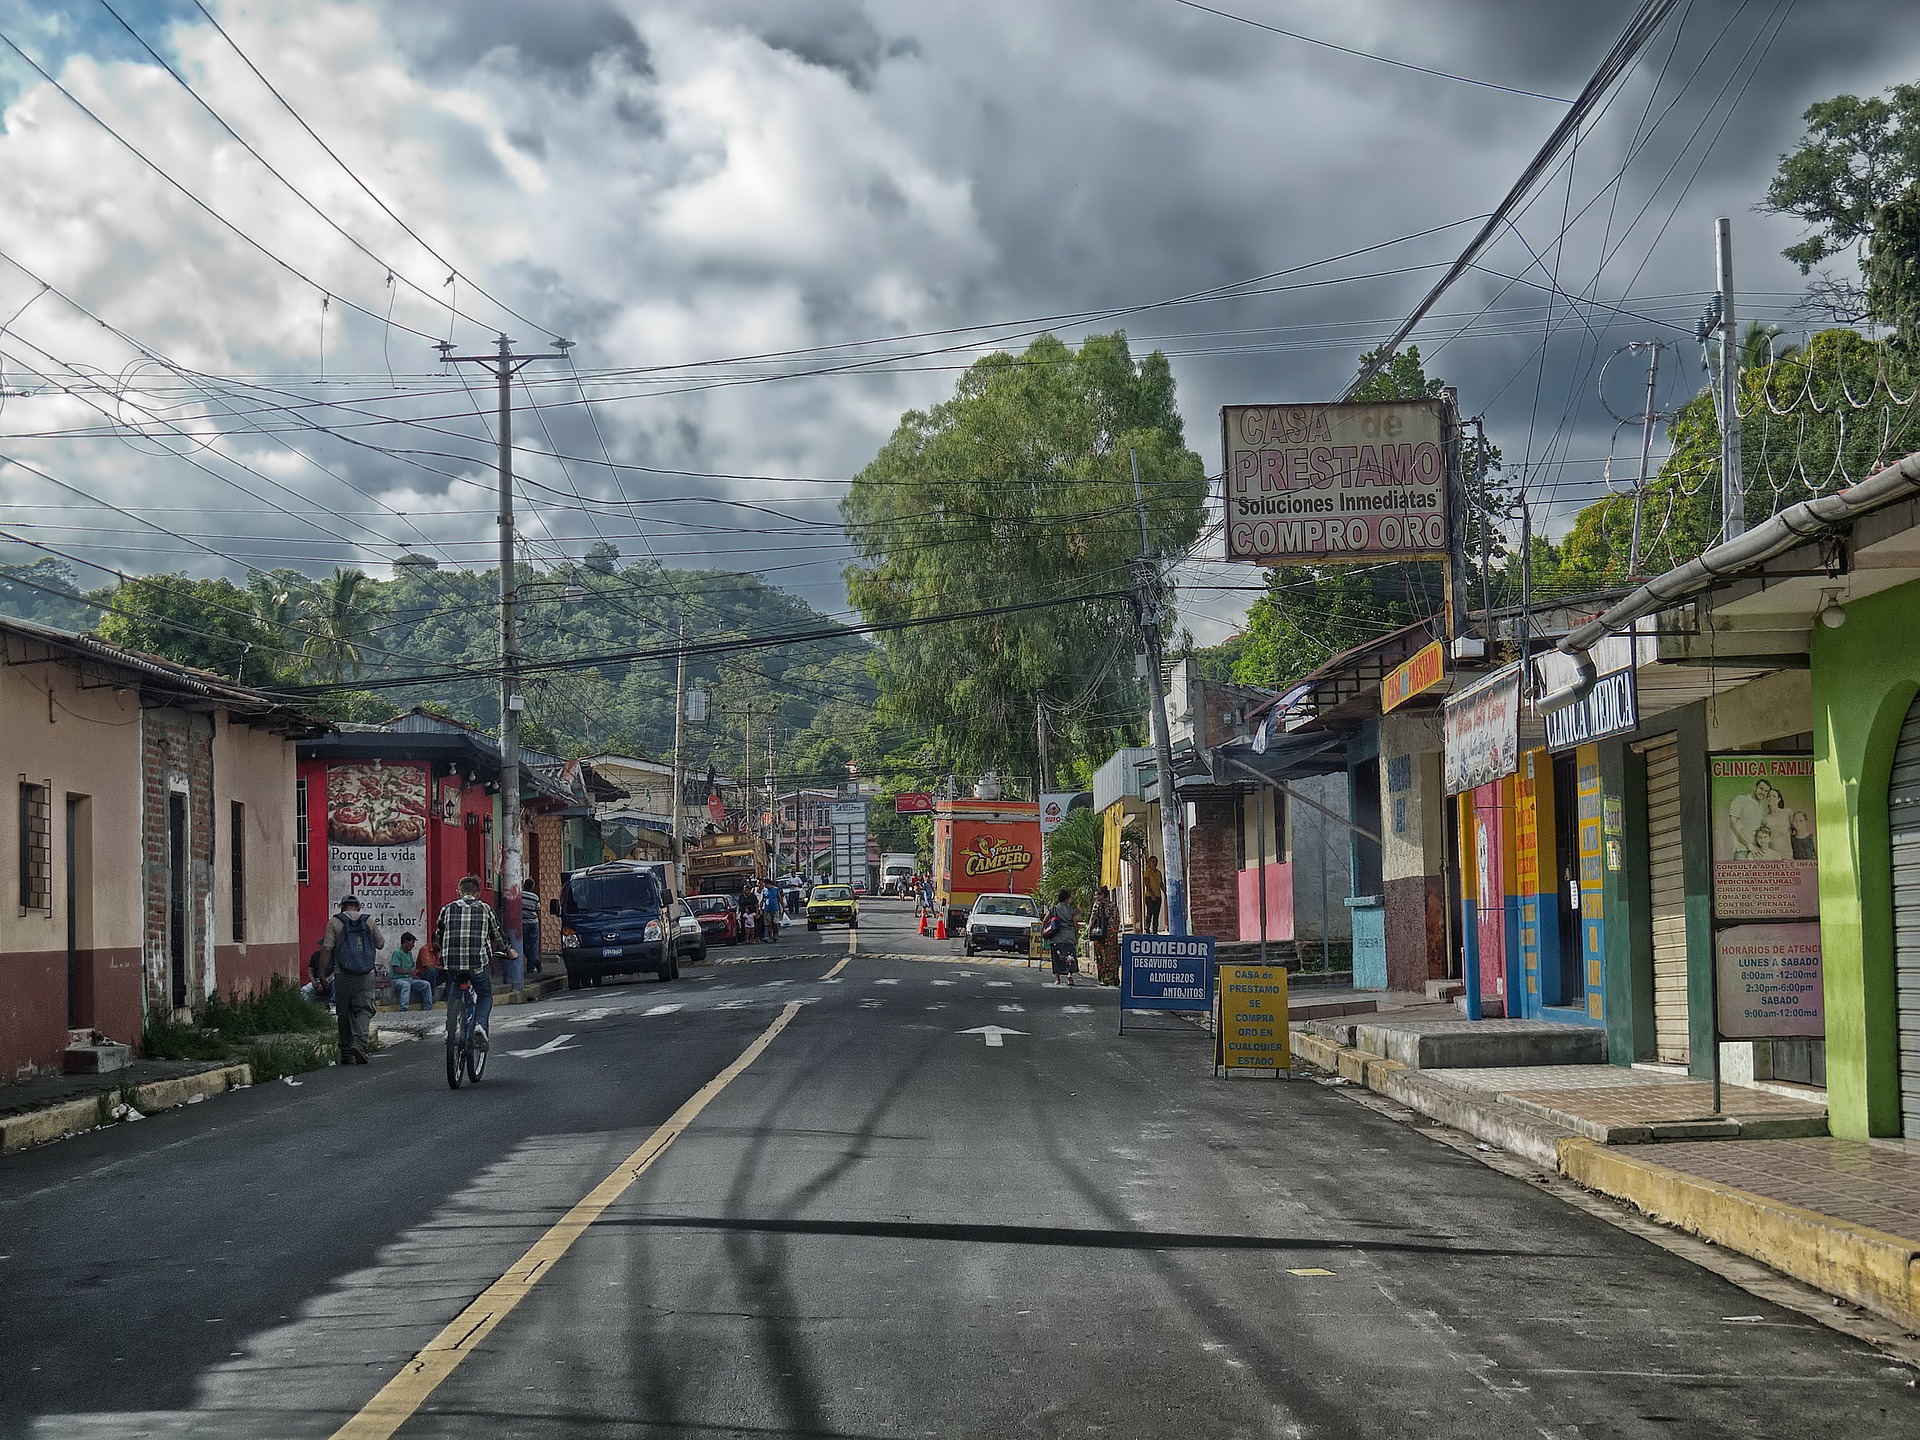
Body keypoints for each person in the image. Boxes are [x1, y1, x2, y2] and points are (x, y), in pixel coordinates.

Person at [433, 874, 508, 1056]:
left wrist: (443, 951)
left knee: (455, 990)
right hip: (477, 963)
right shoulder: (485, 909)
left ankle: (451, 1028)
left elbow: (438, 937)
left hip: (452, 963)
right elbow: (497, 935)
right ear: (478, 893)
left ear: (459, 892)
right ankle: (480, 1025)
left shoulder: (447, 909)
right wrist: (508, 950)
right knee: (485, 995)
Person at [317, 896, 384, 1064]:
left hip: (342, 974)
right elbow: (380, 944)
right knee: (364, 1009)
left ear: (342, 907)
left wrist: (322, 974)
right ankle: (359, 1044)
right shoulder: (368, 920)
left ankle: (346, 1052)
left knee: (343, 1012)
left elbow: (326, 949)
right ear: (359, 907)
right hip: (365, 974)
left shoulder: (334, 922)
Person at [387, 931, 433, 1012]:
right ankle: (404, 1009)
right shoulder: (397, 952)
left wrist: (415, 972)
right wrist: (409, 972)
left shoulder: (409, 954)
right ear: (406, 942)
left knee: (426, 984)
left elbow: (410, 969)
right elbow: (396, 969)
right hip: (397, 979)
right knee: (406, 985)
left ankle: (427, 1008)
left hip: (409, 978)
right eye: (412, 942)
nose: (413, 945)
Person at [1043, 888, 1079, 986]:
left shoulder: (1053, 909)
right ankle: (1069, 974)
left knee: (1056, 958)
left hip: (1056, 937)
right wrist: (1076, 936)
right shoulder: (1071, 911)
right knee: (1069, 956)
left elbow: (1045, 920)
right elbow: (1075, 925)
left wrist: (1045, 930)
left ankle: (1057, 979)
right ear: (1067, 899)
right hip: (1068, 936)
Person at [1088, 885, 1121, 986]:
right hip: (1112, 933)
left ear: (1102, 895)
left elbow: (1093, 917)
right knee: (1112, 955)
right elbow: (1118, 919)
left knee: (1101, 955)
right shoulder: (1114, 905)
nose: (1095, 897)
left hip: (1101, 933)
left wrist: (1090, 929)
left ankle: (1104, 978)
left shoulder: (1098, 904)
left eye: (1097, 895)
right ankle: (1113, 978)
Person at [1142, 855, 1166, 934]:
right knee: (1150, 913)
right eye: (1152, 862)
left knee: (1156, 914)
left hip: (1158, 895)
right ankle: (1147, 929)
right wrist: (1152, 894)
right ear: (1149, 863)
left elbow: (1161, 883)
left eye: (1155, 862)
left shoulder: (1158, 872)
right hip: (1149, 896)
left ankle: (1155, 930)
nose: (1154, 863)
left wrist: (1165, 892)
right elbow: (1147, 884)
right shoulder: (1147, 872)